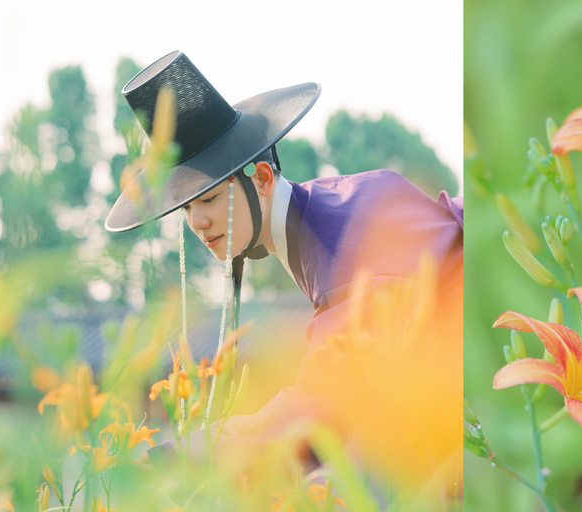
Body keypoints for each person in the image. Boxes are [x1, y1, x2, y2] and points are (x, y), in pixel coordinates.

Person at [106, 50, 463, 492]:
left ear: (261, 178)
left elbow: (317, 413)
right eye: (186, 208)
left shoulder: (344, 250)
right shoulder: (324, 207)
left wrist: (179, 455)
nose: (197, 223)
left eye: (210, 199)